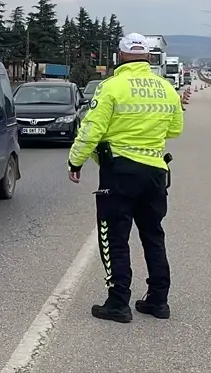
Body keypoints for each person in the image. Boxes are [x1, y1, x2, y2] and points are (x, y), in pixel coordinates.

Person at [67, 32, 183, 323]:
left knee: (114, 237)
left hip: (119, 172)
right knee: (153, 235)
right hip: (155, 172)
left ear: (119, 56)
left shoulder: (111, 87)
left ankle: (118, 302)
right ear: (148, 57)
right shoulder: (166, 87)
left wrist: (76, 160)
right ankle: (158, 300)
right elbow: (175, 129)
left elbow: (91, 129)